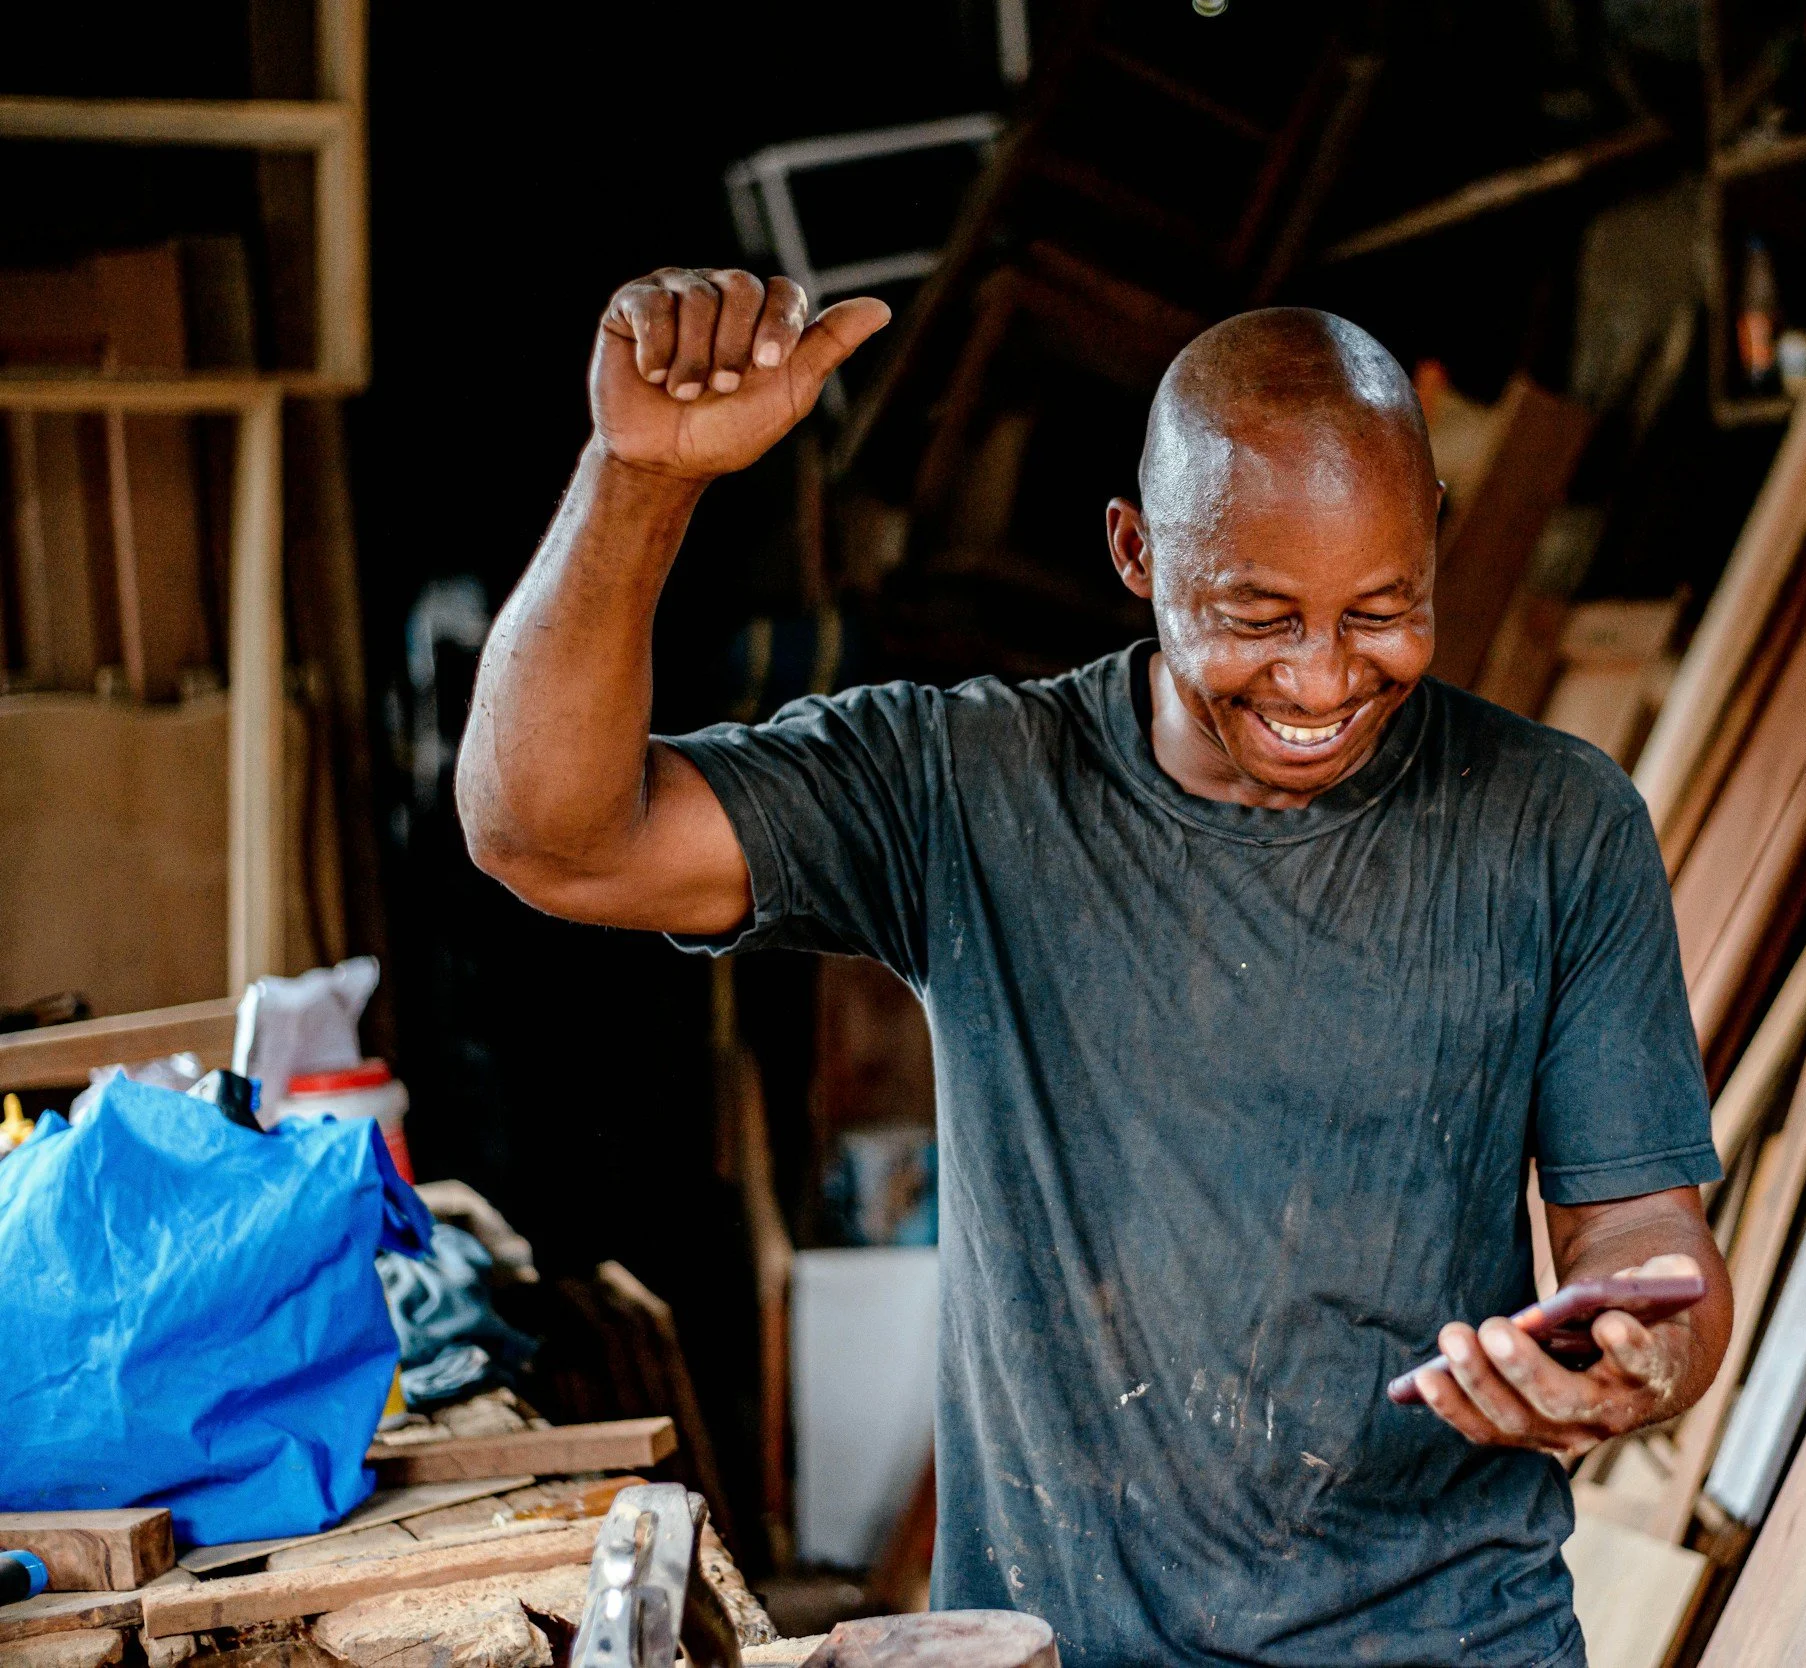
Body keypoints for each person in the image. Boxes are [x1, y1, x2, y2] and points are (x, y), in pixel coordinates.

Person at [458, 268, 1731, 1668]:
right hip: (1061, 1651)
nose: (1321, 679)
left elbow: (1645, 1242)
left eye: (1382, 609)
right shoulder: (961, 789)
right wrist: (638, 481)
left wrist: (1632, 1352)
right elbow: (550, 837)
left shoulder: (1553, 823)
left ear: (1435, 538)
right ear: (1135, 553)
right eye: (1255, 614)